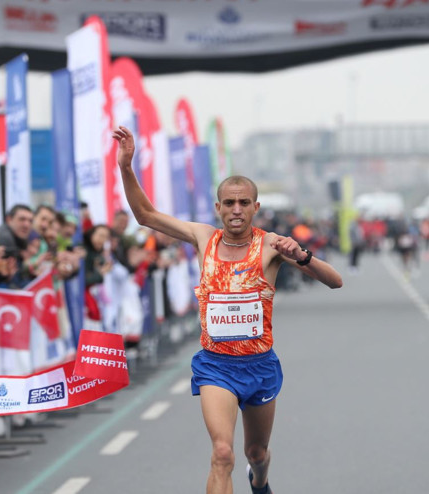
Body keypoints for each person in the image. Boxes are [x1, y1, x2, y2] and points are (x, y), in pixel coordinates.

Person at [112, 126, 342, 494]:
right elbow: (145, 215)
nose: (236, 210)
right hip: (216, 365)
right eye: (229, 203)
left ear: (255, 207)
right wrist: (126, 166)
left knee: (256, 451)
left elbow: (335, 281)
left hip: (260, 365)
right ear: (218, 207)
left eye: (244, 203)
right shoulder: (204, 237)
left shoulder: (271, 246)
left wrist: (303, 257)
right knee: (222, 453)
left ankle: (261, 480)